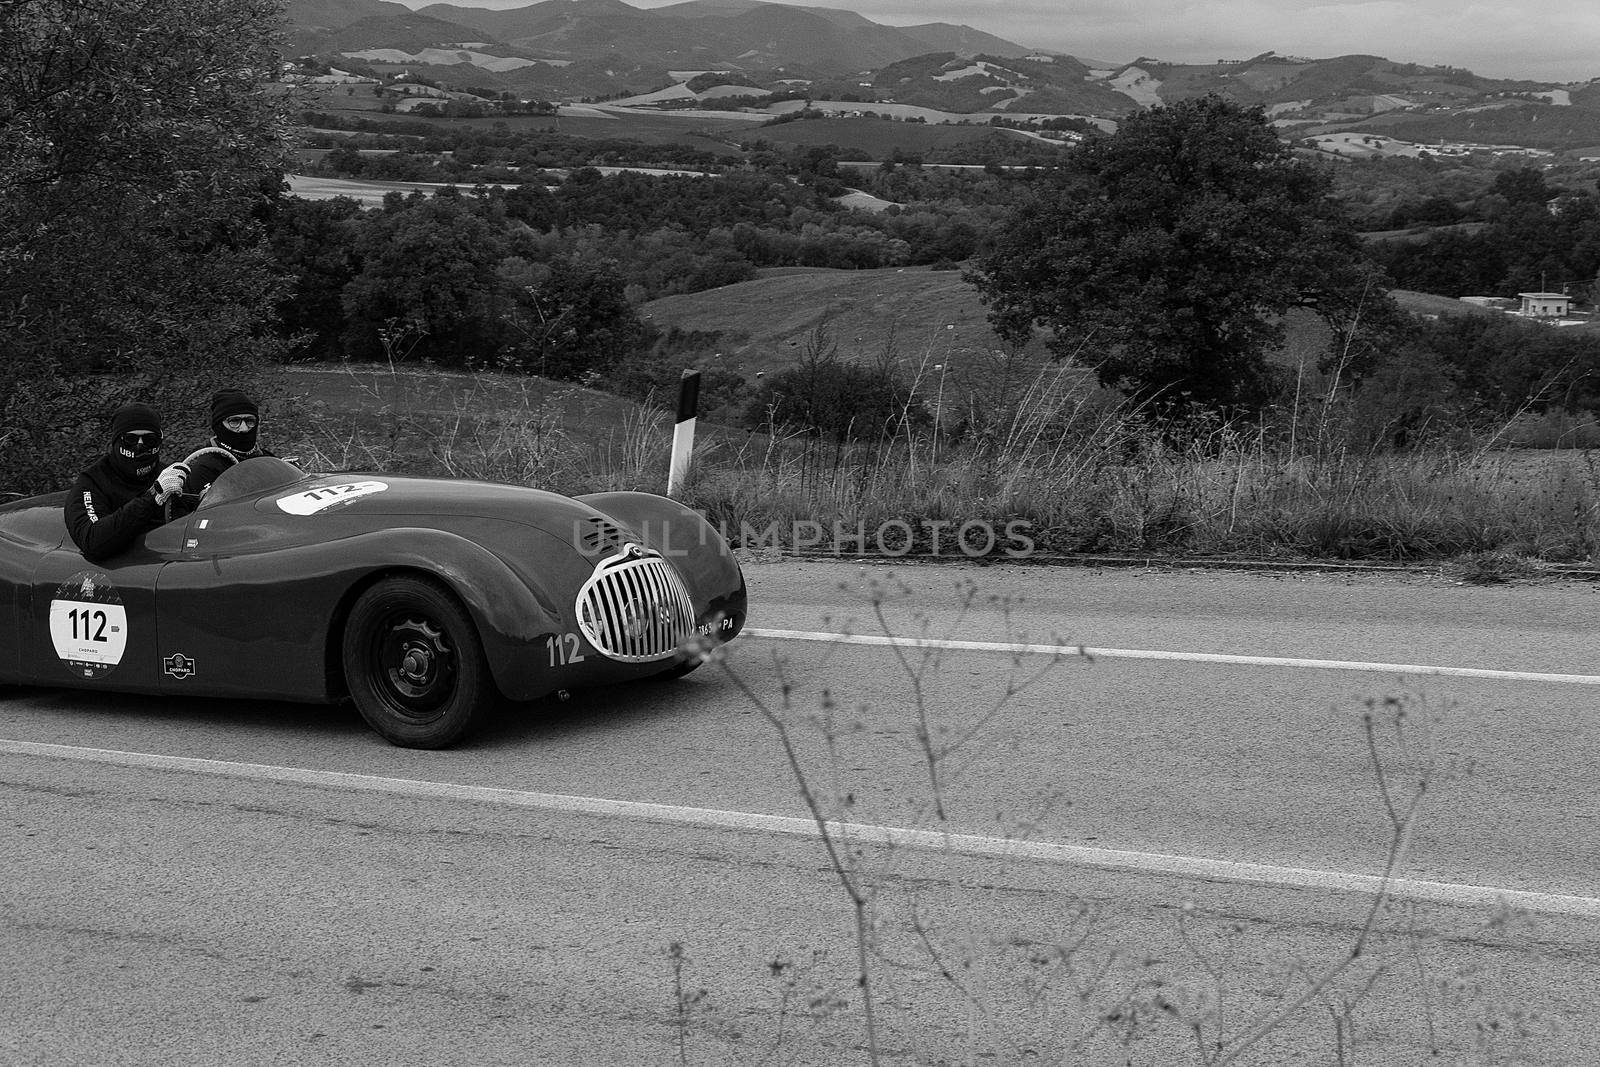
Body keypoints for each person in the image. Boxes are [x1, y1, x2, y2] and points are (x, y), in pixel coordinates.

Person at [65, 402, 188, 562]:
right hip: (123, 569)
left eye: (149, 439)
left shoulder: (170, 477)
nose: (140, 445)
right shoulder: (93, 482)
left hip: (167, 562)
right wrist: (153, 497)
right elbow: (92, 540)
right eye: (131, 438)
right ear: (117, 440)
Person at [181, 389, 274, 497]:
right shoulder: (204, 469)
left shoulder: (268, 460)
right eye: (234, 421)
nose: (244, 428)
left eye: (250, 421)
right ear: (219, 425)